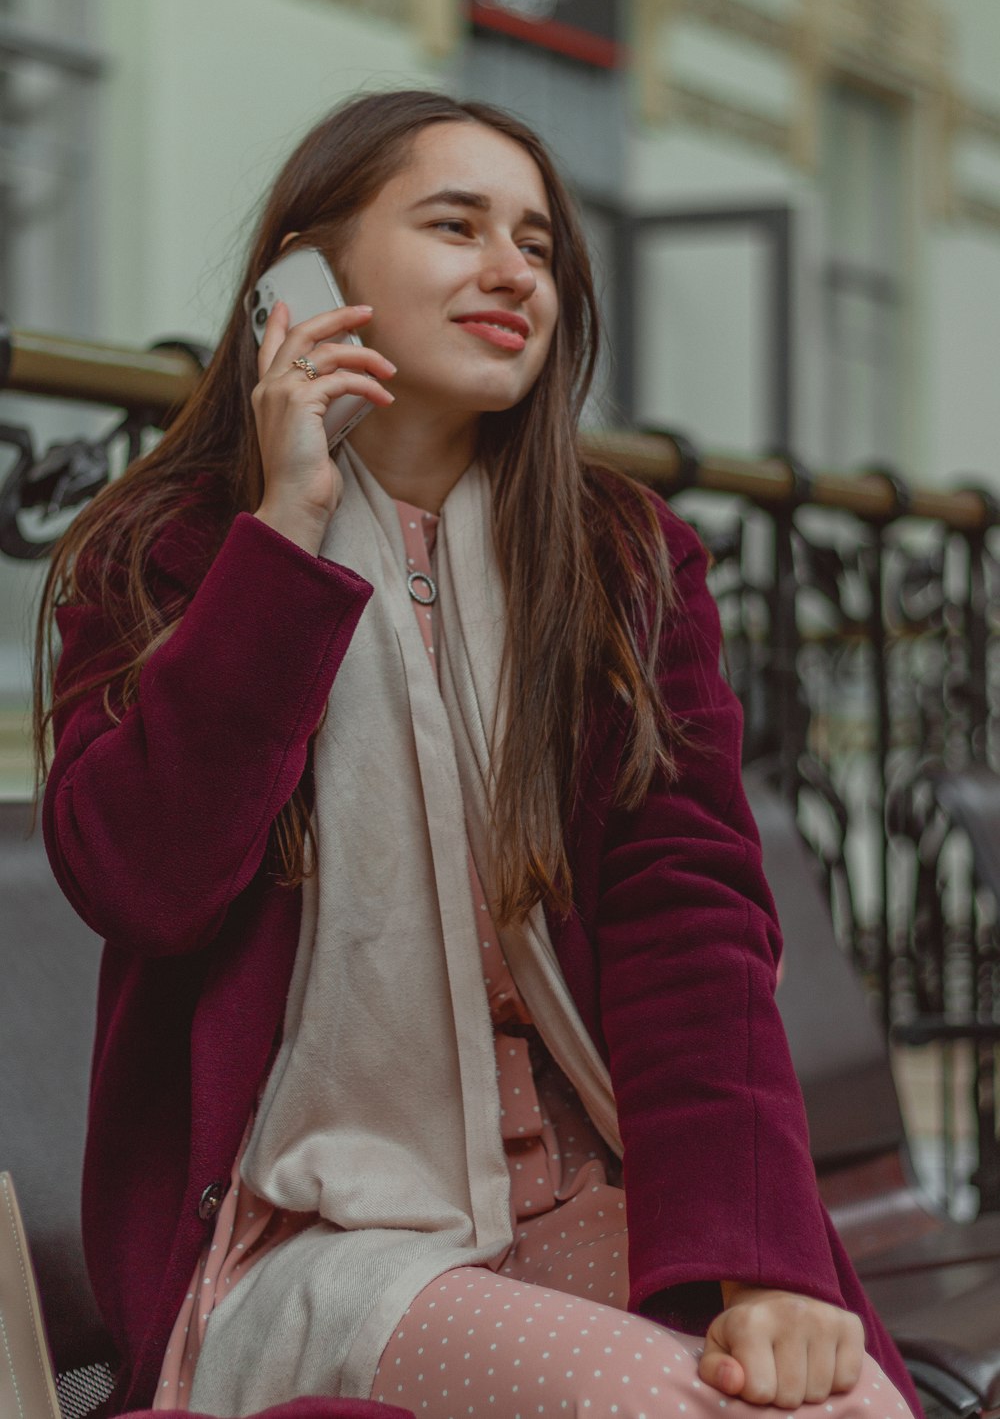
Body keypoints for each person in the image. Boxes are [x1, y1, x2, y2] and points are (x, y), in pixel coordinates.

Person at [34, 90, 922, 1419]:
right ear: (306, 273)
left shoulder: (622, 558)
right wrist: (286, 531)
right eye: (455, 226)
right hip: (318, 1241)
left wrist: (759, 1265)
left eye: (540, 244)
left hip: (592, 1188)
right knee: (665, 1406)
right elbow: (145, 879)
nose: (516, 270)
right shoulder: (165, 554)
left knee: (847, 1404)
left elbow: (693, 917)